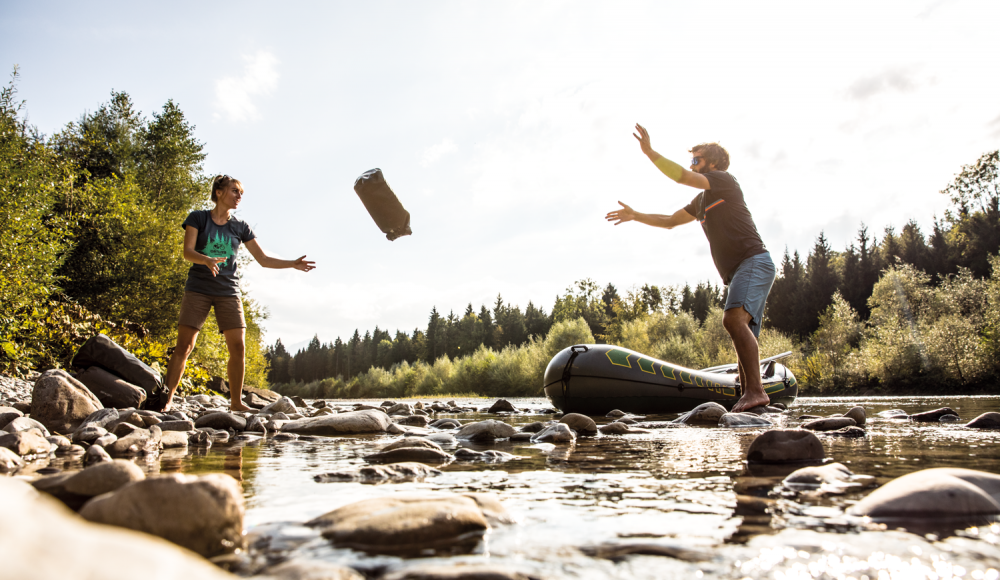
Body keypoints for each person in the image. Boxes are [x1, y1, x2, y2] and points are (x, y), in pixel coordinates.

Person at [605, 124, 775, 413]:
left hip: (753, 261)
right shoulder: (702, 201)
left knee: (733, 321)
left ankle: (756, 392)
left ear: (713, 163)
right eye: (692, 160)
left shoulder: (724, 180)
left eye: (696, 160)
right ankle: (750, 396)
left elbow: (682, 177)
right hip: (740, 271)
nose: (691, 164)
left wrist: (649, 153)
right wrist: (636, 215)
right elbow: (670, 220)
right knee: (741, 329)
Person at [163, 174, 315, 412]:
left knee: (238, 347)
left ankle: (236, 403)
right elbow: (188, 252)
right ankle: (167, 398)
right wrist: (206, 259)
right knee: (184, 346)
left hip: (228, 291)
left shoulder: (240, 227)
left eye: (241, 193)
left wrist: (292, 263)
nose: (239, 196)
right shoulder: (198, 218)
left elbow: (263, 259)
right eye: (235, 191)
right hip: (198, 289)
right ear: (219, 192)